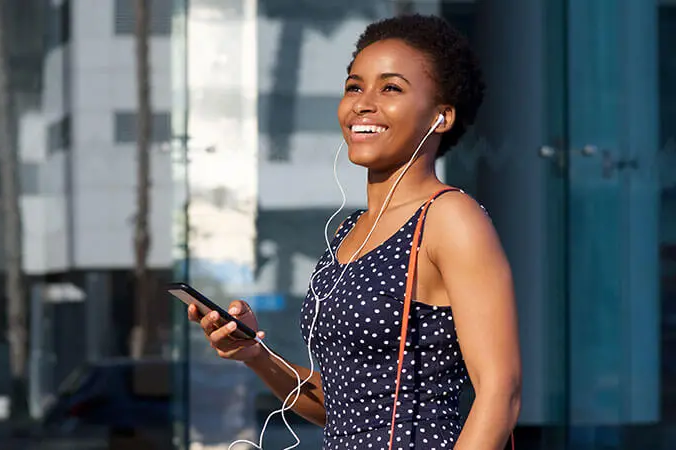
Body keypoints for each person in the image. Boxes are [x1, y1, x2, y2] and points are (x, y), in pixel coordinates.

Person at [188, 13, 521, 450]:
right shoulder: (349, 230)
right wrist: (255, 355)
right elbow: (342, 408)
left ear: (441, 117)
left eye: (391, 88)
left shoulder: (449, 217)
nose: (363, 102)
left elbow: (501, 392)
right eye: (354, 86)